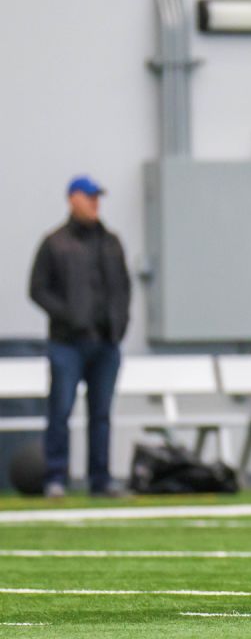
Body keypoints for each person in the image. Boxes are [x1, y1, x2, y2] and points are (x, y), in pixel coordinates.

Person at [29, 176, 130, 498]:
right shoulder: (55, 242)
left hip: (106, 343)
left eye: (97, 197)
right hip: (67, 344)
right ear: (72, 199)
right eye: (89, 197)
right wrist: (69, 317)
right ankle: (55, 477)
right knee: (61, 410)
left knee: (101, 414)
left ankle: (99, 479)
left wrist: (121, 322)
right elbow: (38, 289)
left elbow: (123, 287)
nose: (95, 203)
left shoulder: (111, 241)